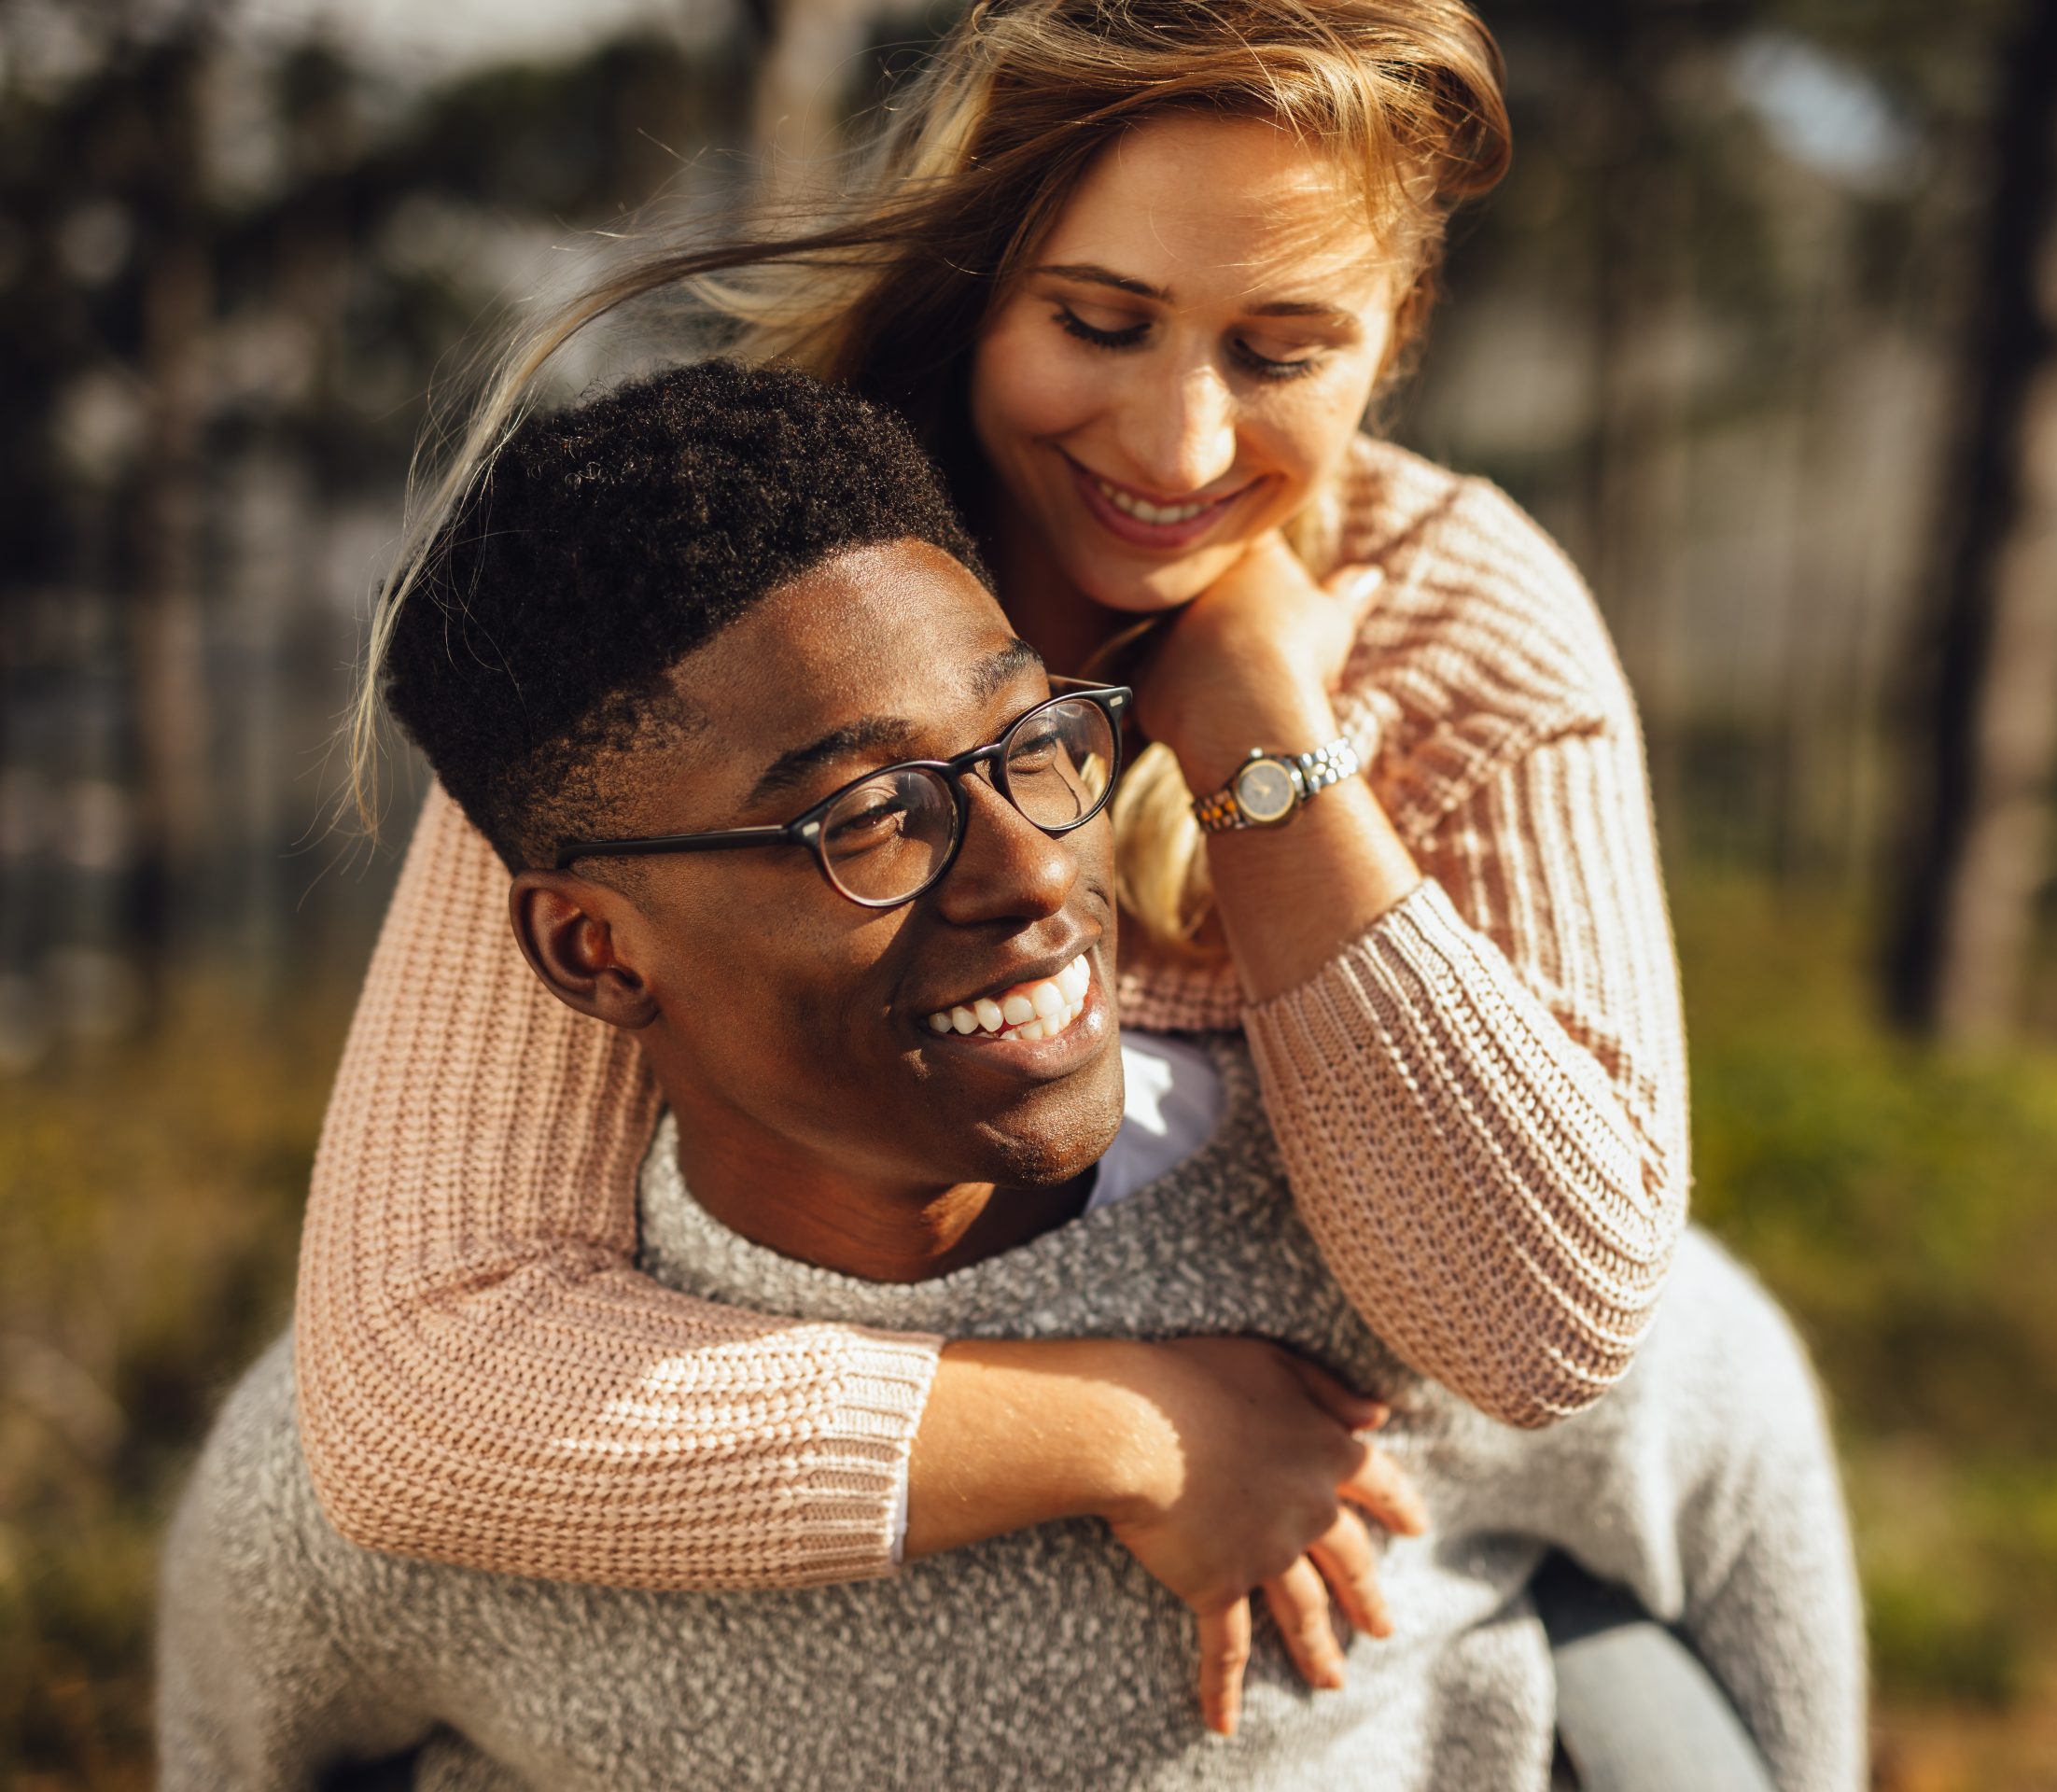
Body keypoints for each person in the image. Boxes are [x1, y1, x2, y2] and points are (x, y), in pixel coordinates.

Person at [161, 365, 1864, 1791]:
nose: (1036, 869)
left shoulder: (1374, 1277)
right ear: (596, 954)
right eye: (869, 817)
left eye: (1036, 742)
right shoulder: (379, 1487)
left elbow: (1735, 1446)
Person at [296, 0, 1696, 1708]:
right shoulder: (705, 598)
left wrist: (1260, 737)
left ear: (1394, 336)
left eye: (1282, 353)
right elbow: (421, 1380)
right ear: (978, 278)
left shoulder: (1458, 620)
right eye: (1102, 323)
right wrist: (1127, 1424)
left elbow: (1541, 1325)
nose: (1179, 451)